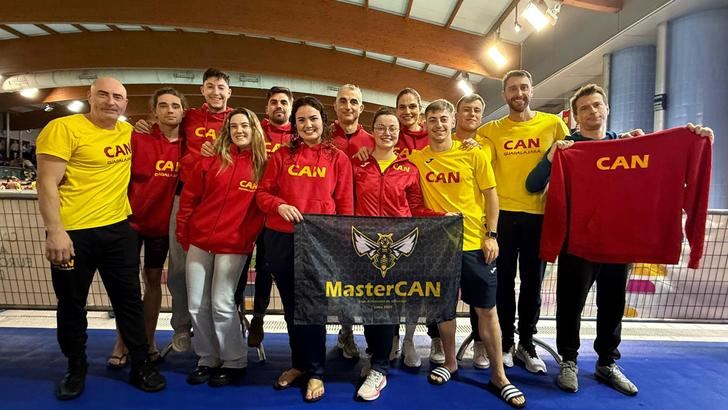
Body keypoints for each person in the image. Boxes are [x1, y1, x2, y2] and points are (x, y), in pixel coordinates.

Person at [526, 83, 715, 396]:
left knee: (613, 306)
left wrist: (692, 138)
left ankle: (606, 362)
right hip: (578, 244)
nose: (592, 112)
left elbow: (668, 156)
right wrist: (551, 155)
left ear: (607, 108)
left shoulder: (627, 144)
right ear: (575, 116)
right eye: (584, 108)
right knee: (570, 306)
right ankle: (569, 361)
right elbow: (533, 184)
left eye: (597, 105)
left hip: (619, 244)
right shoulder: (568, 148)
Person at [36, 77, 166, 400]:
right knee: (71, 304)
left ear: (125, 104)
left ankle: (140, 365)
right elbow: (46, 183)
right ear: (89, 97)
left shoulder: (127, 132)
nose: (111, 102)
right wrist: (56, 232)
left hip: (117, 230)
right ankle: (76, 367)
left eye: (118, 97)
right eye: (104, 95)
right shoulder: (63, 129)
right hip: (73, 233)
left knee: (129, 302)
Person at [409, 99, 525, 408]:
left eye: (442, 119)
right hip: (437, 246)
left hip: (474, 243)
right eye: (431, 119)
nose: (437, 124)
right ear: (425, 123)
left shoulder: (473, 153)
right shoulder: (417, 158)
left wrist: (491, 235)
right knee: (443, 308)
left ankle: (499, 375)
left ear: (452, 121)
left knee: (487, 310)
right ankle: (450, 362)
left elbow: (491, 196)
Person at [257, 96, 354, 402]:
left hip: (319, 243)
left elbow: (345, 205)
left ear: (323, 121)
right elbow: (262, 195)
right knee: (291, 307)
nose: (308, 125)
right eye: (301, 120)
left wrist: (340, 243)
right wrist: (279, 205)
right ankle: (298, 364)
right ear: (295, 125)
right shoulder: (281, 155)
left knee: (314, 308)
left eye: (313, 118)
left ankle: (316, 371)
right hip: (282, 238)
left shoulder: (337, 158)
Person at [476, 70, 569, 373]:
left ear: (532, 91)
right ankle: (503, 344)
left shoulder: (553, 125)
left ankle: (526, 343)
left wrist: (624, 139)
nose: (519, 93)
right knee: (502, 284)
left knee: (532, 284)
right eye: (512, 89)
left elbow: (581, 152)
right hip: (502, 218)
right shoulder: (490, 131)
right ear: (504, 95)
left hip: (538, 217)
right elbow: (475, 163)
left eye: (524, 88)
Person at [136, 68, 234, 352]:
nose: (216, 92)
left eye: (221, 88)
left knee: (223, 271)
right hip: (187, 198)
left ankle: (223, 328)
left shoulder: (237, 120)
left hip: (223, 201)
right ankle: (181, 327)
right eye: (210, 87)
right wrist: (145, 125)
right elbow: (165, 124)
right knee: (179, 268)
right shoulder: (190, 117)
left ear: (229, 92)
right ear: (202, 91)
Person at [352, 106, 445, 400]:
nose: (388, 133)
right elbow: (347, 204)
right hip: (364, 248)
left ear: (399, 132)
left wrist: (442, 216)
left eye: (393, 128)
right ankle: (375, 354)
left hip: (396, 251)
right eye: (381, 127)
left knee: (387, 307)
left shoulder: (409, 169)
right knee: (368, 307)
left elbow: (416, 208)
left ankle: (380, 367)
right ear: (373, 130)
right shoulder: (358, 166)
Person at [176, 107, 266, 387]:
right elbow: (189, 197)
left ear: (254, 130)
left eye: (245, 126)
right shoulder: (211, 161)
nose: (239, 130)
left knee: (222, 302)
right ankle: (207, 357)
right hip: (199, 240)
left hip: (233, 245)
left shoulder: (263, 166)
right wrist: (184, 233)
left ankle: (234, 360)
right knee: (195, 304)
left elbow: (261, 210)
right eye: (234, 126)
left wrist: (246, 238)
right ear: (227, 131)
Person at [107, 88, 186, 367]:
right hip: (129, 222)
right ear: (154, 112)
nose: (169, 110)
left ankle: (148, 341)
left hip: (160, 228)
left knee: (152, 282)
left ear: (182, 111)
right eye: (163, 105)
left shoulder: (186, 146)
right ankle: (122, 341)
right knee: (127, 286)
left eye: (175, 106)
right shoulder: (137, 137)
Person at [245, 86, 295, 348]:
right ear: (267, 108)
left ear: (290, 106)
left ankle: (261, 318)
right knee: (249, 269)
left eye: (284, 102)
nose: (279, 106)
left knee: (268, 266)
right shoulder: (255, 132)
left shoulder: (297, 134)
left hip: (278, 213)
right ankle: (252, 318)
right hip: (247, 208)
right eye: (274, 102)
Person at [330, 84, 374, 359]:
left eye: (353, 102)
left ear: (361, 107)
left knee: (365, 283)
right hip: (329, 223)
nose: (348, 106)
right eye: (343, 101)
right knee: (337, 283)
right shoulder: (322, 138)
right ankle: (345, 332)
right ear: (335, 106)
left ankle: (373, 339)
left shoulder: (373, 139)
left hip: (365, 223)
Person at [453, 93, 491, 370]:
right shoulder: (440, 144)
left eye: (477, 110)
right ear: (457, 114)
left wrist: (491, 234)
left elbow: (491, 193)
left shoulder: (485, 146)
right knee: (440, 295)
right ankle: (438, 341)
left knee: (481, 300)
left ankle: (480, 342)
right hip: (441, 238)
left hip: (475, 234)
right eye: (466, 109)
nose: (471, 114)